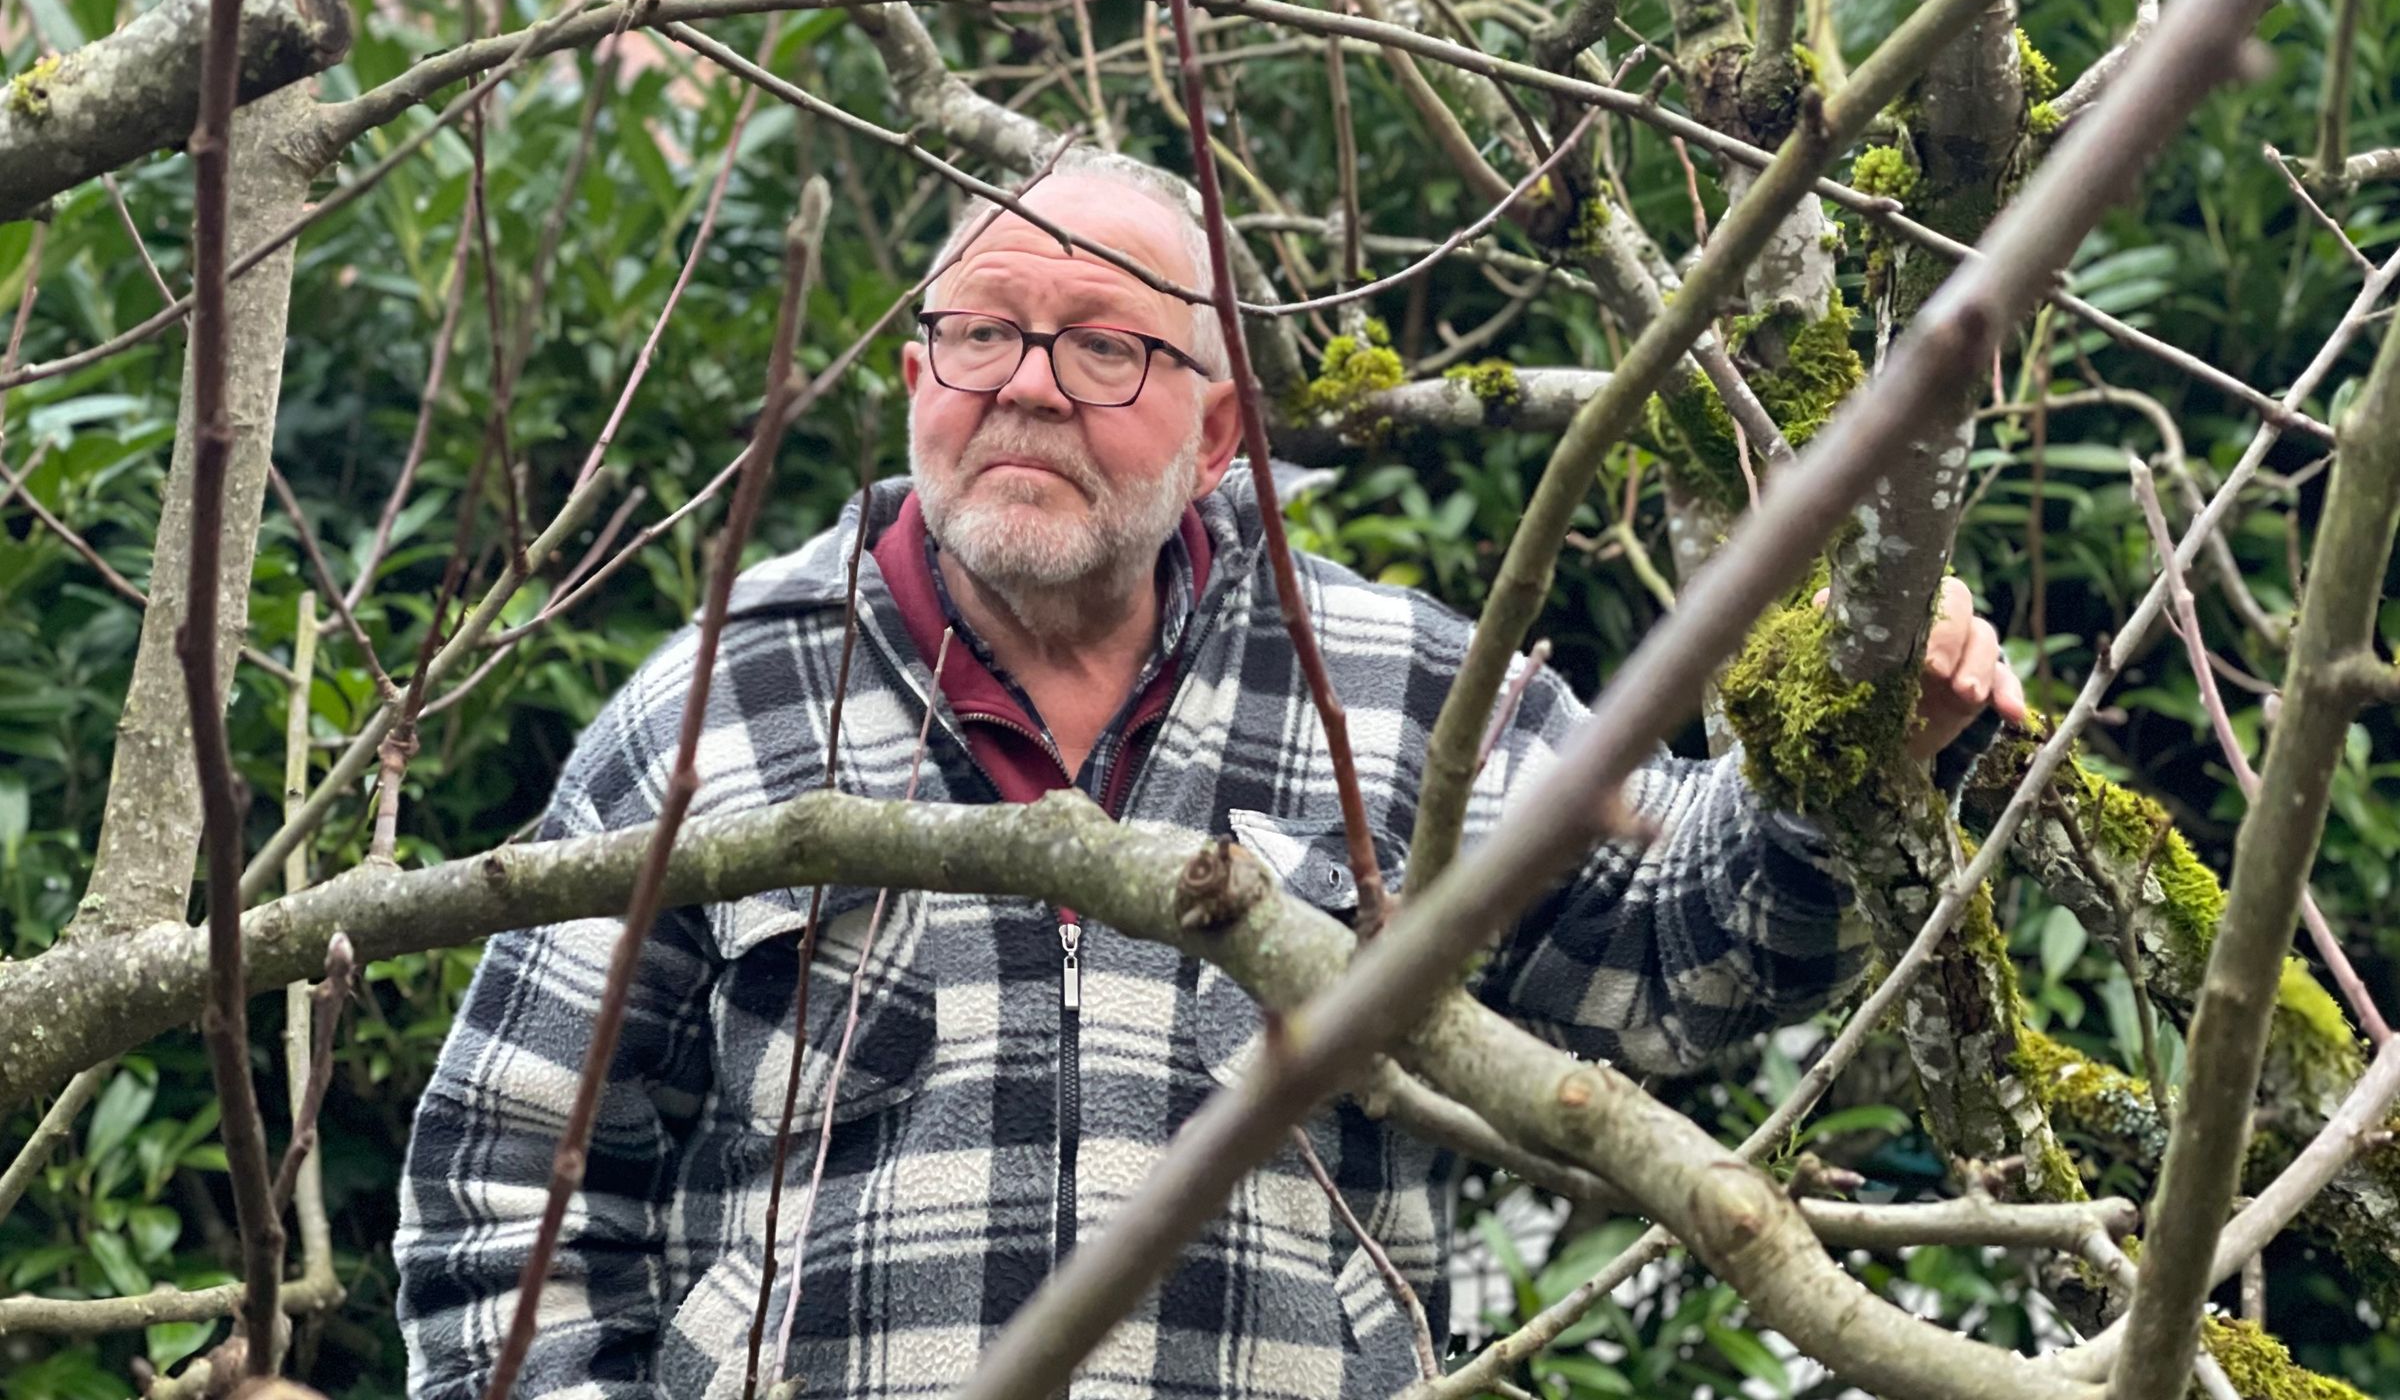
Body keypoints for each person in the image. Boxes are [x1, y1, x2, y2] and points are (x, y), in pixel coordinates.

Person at [396, 154, 2025, 1400]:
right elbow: (501, 1193)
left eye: (1106, 347)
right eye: (982, 334)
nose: (1028, 383)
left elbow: (1681, 950)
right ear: (915, 380)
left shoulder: (1393, 694)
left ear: (1222, 430)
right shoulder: (719, 716)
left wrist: (1842, 739)